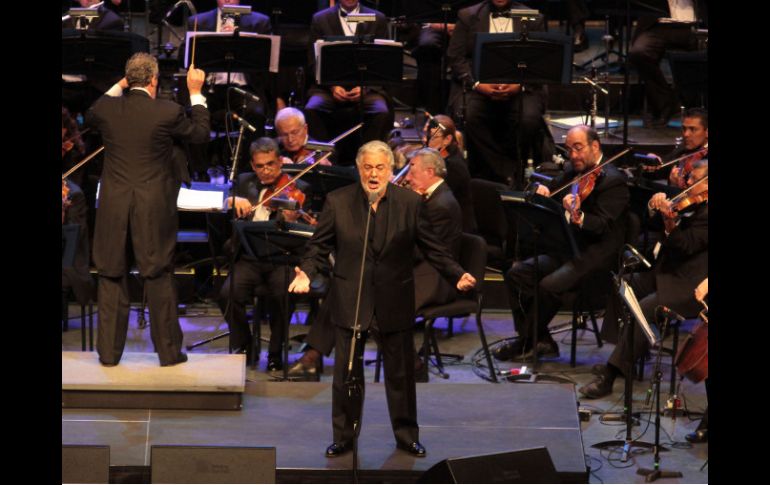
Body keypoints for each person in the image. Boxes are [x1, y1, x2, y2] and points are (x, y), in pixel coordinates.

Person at [289, 140, 476, 457]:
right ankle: (345, 437)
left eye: (380, 168)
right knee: (347, 374)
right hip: (353, 295)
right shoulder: (339, 201)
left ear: (390, 170)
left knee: (400, 375)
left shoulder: (410, 203)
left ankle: (406, 436)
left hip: (395, 297)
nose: (373, 174)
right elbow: (317, 247)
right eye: (367, 167)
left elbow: (433, 247)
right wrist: (306, 272)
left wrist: (456, 273)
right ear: (359, 169)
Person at [85, 53, 210, 366]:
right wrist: (195, 92)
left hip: (113, 207)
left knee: (111, 274)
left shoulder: (106, 109)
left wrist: (123, 81)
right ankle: (168, 353)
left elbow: (92, 111)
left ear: (128, 79)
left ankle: (109, 356)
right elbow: (199, 134)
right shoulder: (167, 111)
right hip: (152, 207)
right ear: (154, 80)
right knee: (157, 275)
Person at [495, 125, 629, 361]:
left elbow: (602, 226)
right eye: (569, 149)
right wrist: (543, 191)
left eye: (578, 148)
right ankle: (540, 339)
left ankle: (526, 340)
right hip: (568, 249)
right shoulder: (572, 170)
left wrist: (579, 216)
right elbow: (553, 191)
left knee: (549, 286)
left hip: (595, 256)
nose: (573, 155)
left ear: (595, 146)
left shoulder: (613, 181)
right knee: (518, 274)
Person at [579, 159, 708, 399]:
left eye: (695, 179)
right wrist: (654, 206)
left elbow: (686, 245)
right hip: (669, 272)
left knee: (647, 307)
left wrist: (670, 226)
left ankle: (611, 373)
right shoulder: (691, 200)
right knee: (623, 282)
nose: (688, 182)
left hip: (691, 284)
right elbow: (653, 224)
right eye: (689, 177)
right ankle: (625, 353)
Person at [219, 137, 311, 371]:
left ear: (280, 162)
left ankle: (275, 352)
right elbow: (222, 201)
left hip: (283, 259)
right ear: (252, 165)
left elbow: (306, 231)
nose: (266, 170)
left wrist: (291, 220)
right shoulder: (243, 183)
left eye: (271, 164)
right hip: (250, 257)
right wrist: (232, 199)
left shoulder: (298, 187)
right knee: (228, 293)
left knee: (283, 294)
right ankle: (246, 345)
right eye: (260, 166)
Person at [446, 0, 554, 187]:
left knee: (528, 118)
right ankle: (505, 172)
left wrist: (518, 85)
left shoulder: (533, 17)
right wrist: (478, 84)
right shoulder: (467, 16)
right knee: (469, 115)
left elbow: (539, 59)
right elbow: (456, 57)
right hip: (479, 85)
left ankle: (504, 171)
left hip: (520, 87)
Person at [304, 0, 392, 165]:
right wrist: (332, 86)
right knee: (312, 108)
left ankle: (367, 161)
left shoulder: (377, 18)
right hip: (328, 87)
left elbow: (382, 62)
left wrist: (364, 87)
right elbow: (312, 63)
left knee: (381, 111)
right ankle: (325, 162)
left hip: (366, 87)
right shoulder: (320, 19)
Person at [629, 0, 708, 128]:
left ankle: (697, 109)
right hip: (659, 24)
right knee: (639, 52)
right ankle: (665, 104)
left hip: (695, 24)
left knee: (702, 53)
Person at [421, 114, 476, 233]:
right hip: (438, 219)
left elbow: (435, 197)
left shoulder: (454, 166)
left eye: (433, 137)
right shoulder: (435, 158)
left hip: (454, 230)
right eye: (426, 134)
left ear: (447, 140)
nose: (426, 140)